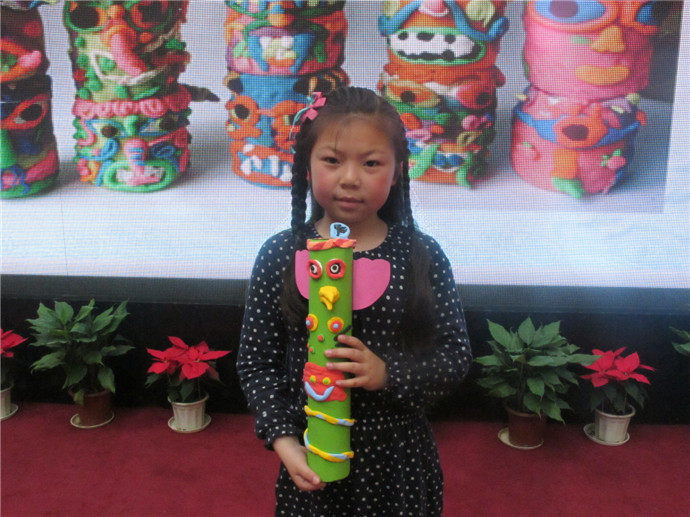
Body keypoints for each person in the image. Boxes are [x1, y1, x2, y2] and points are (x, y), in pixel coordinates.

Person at [237, 86, 471, 516]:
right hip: (313, 457)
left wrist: (388, 373)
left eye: (371, 163)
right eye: (332, 160)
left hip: (398, 459)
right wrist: (285, 441)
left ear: (397, 171)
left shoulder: (419, 254)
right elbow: (256, 363)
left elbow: (455, 355)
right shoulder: (281, 254)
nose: (349, 178)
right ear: (306, 166)